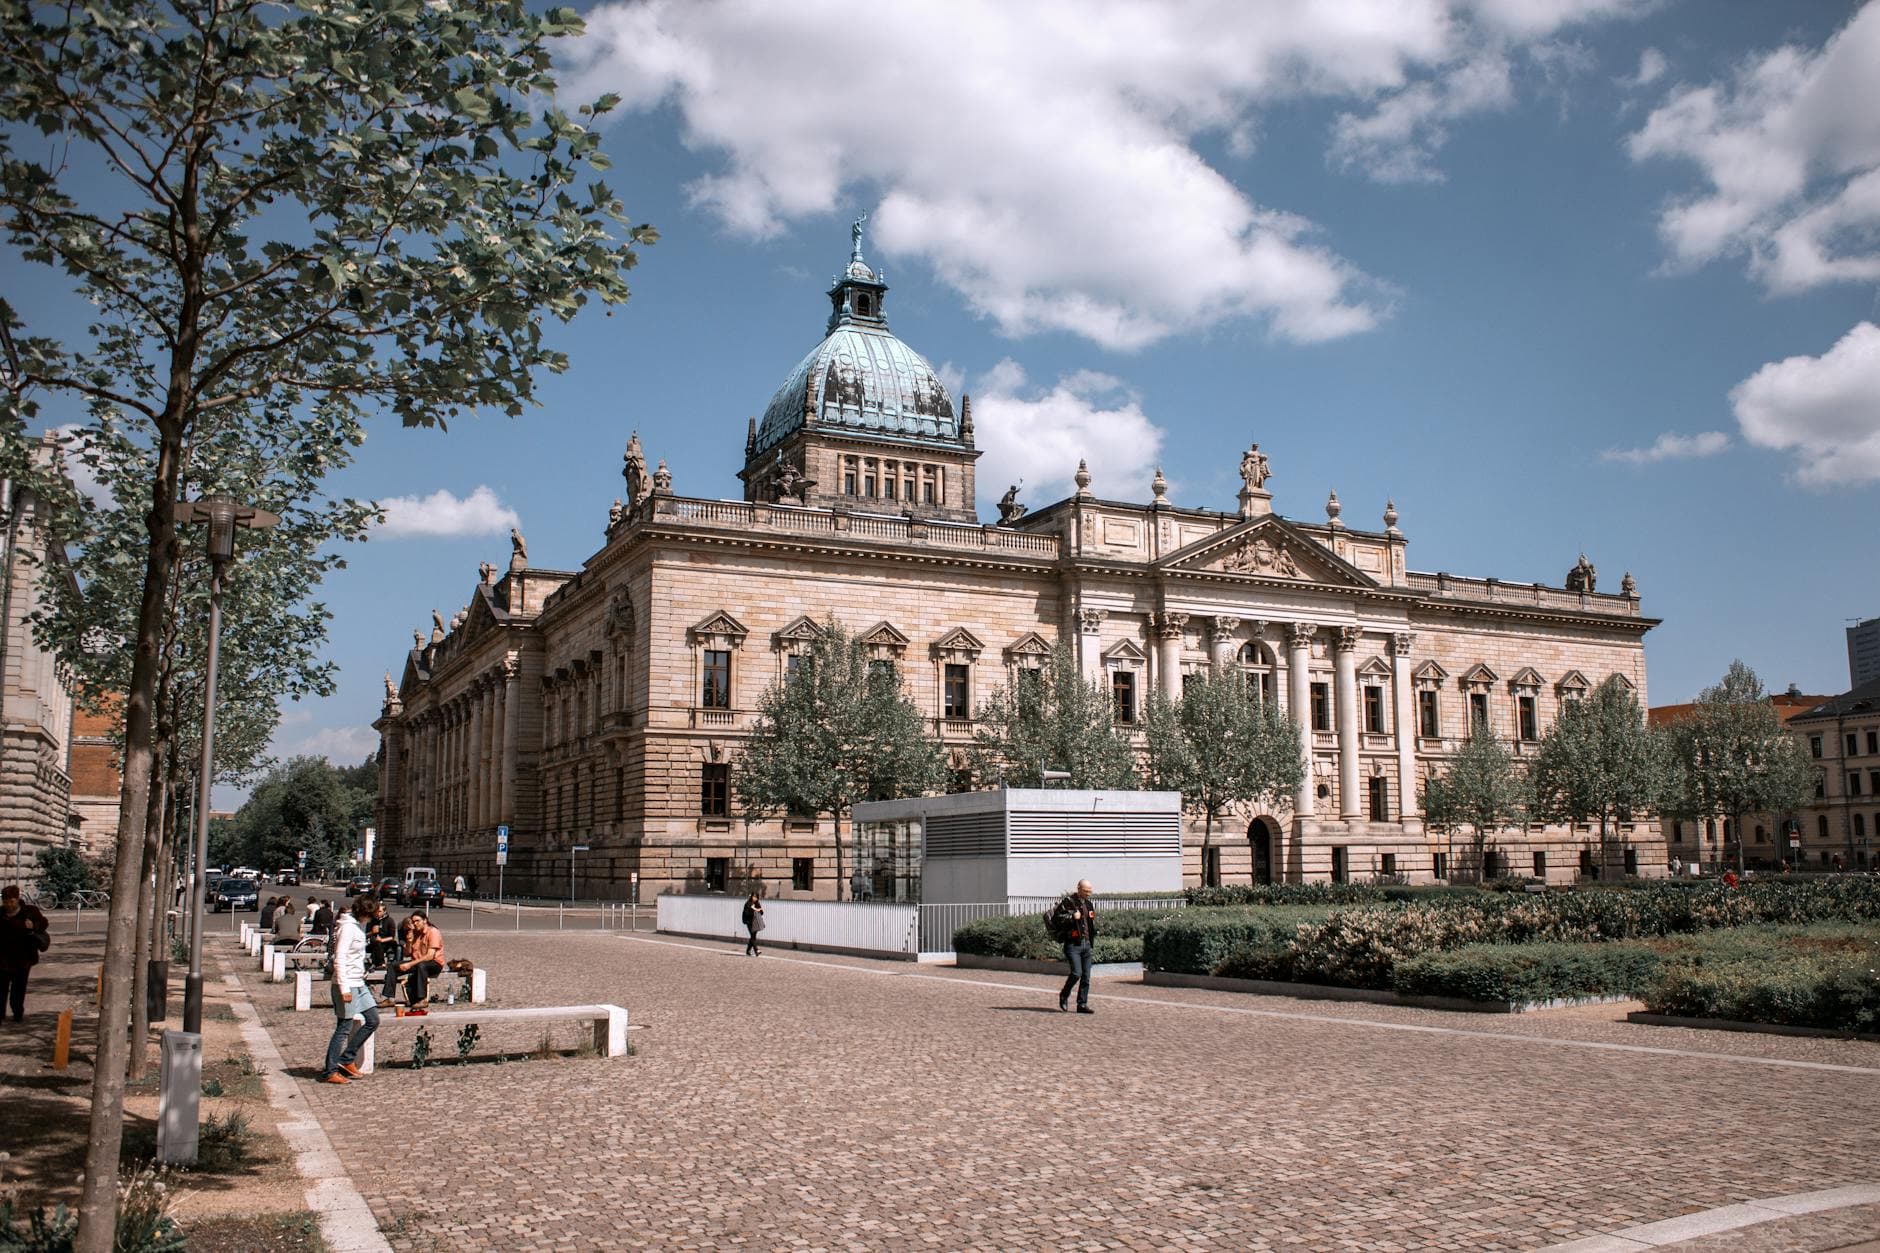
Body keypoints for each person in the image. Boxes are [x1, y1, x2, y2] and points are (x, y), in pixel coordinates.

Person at [321, 895, 380, 1084]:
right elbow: (340, 957)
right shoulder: (347, 928)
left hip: (359, 983)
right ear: (364, 913)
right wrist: (344, 987)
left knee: (373, 1019)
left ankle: (347, 1059)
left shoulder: (358, 926)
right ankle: (330, 1071)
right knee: (344, 1027)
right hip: (345, 983)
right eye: (370, 915)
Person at [0, 885, 51, 1024]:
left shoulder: (29, 912)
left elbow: (44, 923)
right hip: (3, 959)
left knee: (18, 988)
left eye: (11, 901)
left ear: (17, 899)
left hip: (23, 958)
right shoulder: (1, 914)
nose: (8, 905)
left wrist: (33, 926)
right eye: (5, 902)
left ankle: (17, 1014)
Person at [1050, 879, 1098, 1015]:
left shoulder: (1089, 904)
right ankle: (1064, 995)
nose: (1089, 893)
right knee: (1076, 973)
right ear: (1079, 889)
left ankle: (1082, 1004)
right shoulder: (1068, 903)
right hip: (1073, 944)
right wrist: (1072, 917)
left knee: (1086, 976)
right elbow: (1056, 919)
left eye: (1090, 891)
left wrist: (1091, 942)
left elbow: (1090, 924)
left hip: (1087, 945)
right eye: (1086, 891)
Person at [392, 913, 443, 1014]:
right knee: (394, 966)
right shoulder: (414, 933)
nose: (415, 924)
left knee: (422, 965)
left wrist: (410, 964)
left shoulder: (433, 932)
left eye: (417, 921)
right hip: (417, 962)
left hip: (434, 963)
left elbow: (430, 956)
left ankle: (422, 998)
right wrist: (409, 941)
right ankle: (389, 997)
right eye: (413, 921)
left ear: (425, 920)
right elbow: (407, 954)